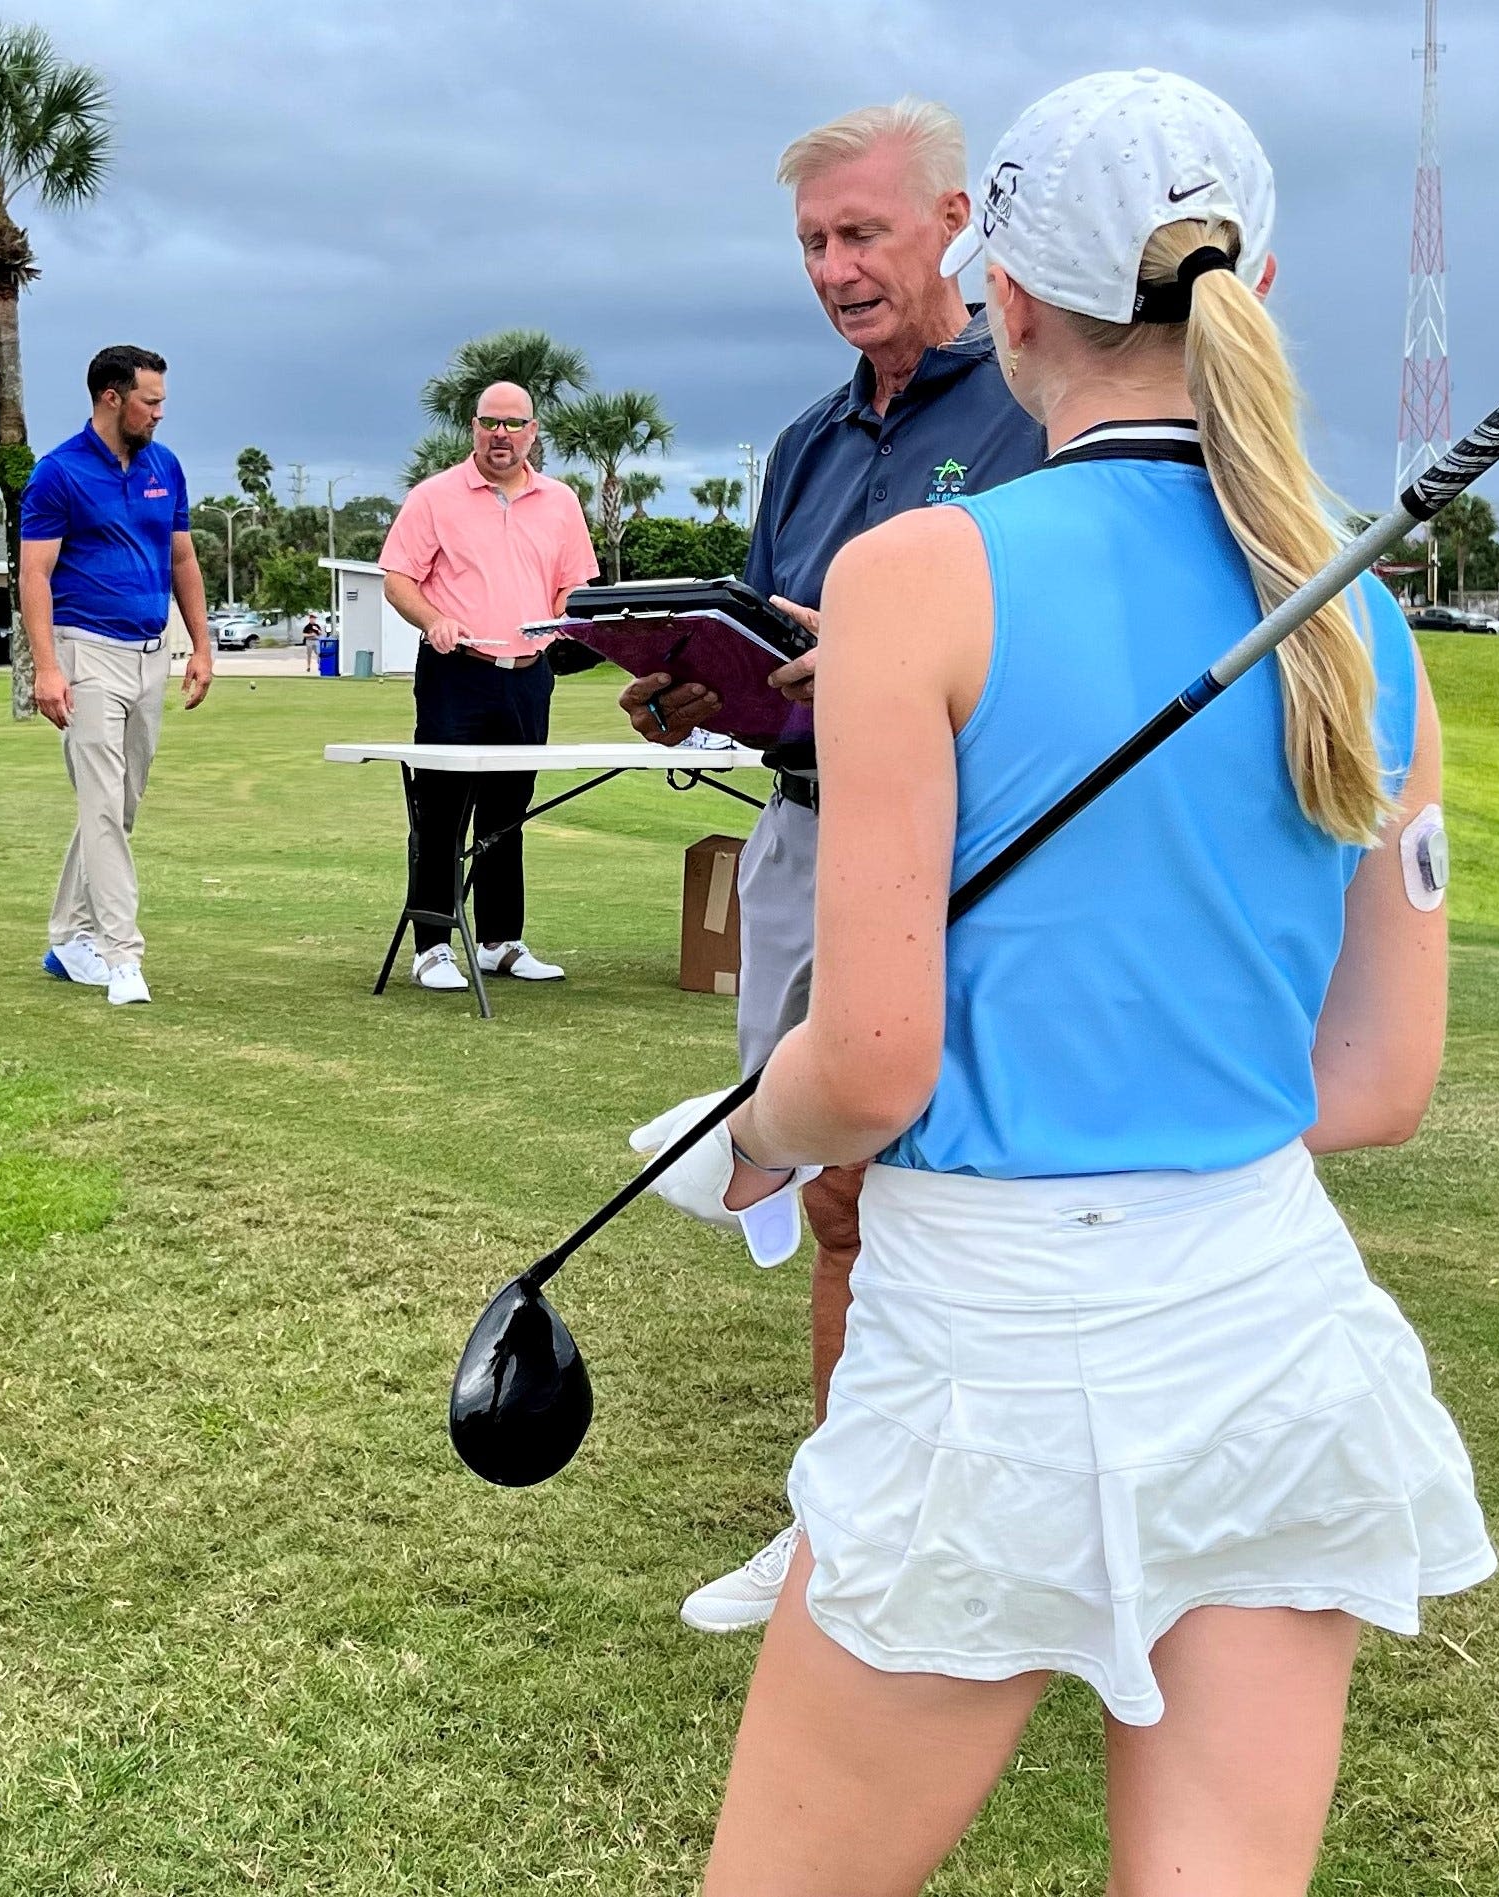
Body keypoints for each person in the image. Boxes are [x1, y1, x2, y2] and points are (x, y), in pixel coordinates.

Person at [690, 71, 1493, 1894]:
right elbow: (1375, 1083)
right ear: (1255, 286)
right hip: (1270, 1326)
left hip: (987, 1343)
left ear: (1009, 296)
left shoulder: (918, 574)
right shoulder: (1355, 612)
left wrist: (739, 1135)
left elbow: (873, 1063)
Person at [626, 97, 1045, 1634]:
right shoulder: (806, 444)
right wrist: (699, 683)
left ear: (955, 224)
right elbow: (775, 642)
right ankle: (843, 1529)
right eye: (812, 241)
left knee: (982, 1198)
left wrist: (875, 665)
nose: (835, 267)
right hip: (808, 829)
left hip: (982, 852)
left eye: (862, 232)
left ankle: (976, 1539)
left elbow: (1060, 662)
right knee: (840, 1200)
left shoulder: (1032, 412)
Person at [378, 381, 600, 991]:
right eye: (489, 424)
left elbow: (572, 585)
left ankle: (502, 940)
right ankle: (433, 946)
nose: (501, 436)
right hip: (457, 672)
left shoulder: (560, 502)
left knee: (509, 812)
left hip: (529, 677)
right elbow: (398, 579)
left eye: (513, 424)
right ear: (473, 428)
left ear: (532, 432)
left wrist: (561, 620)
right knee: (442, 809)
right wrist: (434, 620)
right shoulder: (435, 497)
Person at [21, 344, 214, 1006]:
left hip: (151, 653)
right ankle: (120, 955)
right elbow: (35, 575)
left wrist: (202, 645)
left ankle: (67, 937)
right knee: (102, 801)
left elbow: (183, 559)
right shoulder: (58, 474)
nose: (160, 412)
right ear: (112, 397)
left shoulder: (166, 467)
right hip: (86, 653)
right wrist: (47, 668)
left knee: (120, 805)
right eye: (150, 400)